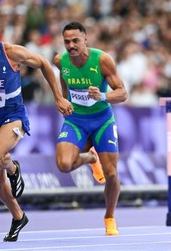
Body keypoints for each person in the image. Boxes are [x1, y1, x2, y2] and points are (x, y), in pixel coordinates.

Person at [0, 14, 72, 241]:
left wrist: (58, 97)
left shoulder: (10, 52)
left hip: (14, 115)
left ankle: (13, 168)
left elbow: (43, 63)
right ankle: (18, 216)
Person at [53, 21, 128, 235]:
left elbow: (122, 93)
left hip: (102, 120)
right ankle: (90, 158)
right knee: (64, 165)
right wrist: (62, 99)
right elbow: (64, 80)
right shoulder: (61, 61)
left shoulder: (102, 60)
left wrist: (103, 96)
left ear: (86, 39)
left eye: (76, 40)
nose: (71, 45)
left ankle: (109, 217)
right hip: (75, 120)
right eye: (67, 41)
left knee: (111, 174)